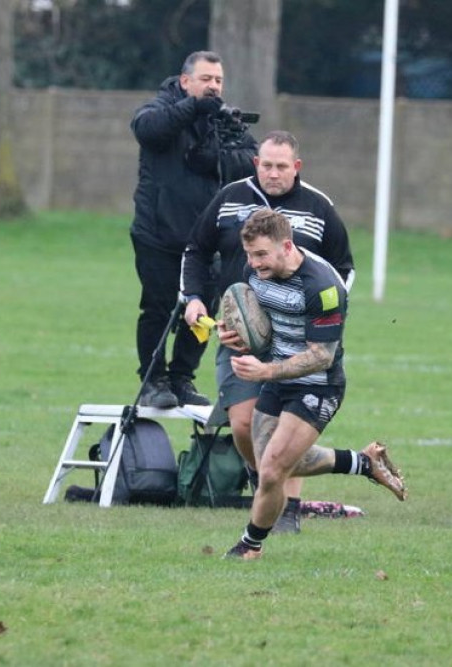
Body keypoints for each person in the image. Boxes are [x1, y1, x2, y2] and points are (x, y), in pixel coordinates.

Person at [182, 130, 355, 534]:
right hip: (239, 333)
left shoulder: (318, 207)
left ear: (296, 167)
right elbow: (196, 249)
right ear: (255, 163)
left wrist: (325, 315)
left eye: (281, 166)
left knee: (282, 430)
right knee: (243, 425)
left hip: (295, 337)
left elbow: (344, 268)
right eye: (265, 164)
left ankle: (286, 507)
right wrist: (193, 298)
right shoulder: (229, 199)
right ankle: (272, 480)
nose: (272, 173)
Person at [220, 209, 405, 560]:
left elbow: (321, 356)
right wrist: (231, 332)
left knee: (274, 468)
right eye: (249, 254)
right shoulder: (255, 273)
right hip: (277, 377)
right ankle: (362, 463)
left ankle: (249, 546)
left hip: (318, 386)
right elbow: (253, 321)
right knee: (270, 466)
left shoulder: (323, 287)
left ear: (286, 246)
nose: (253, 262)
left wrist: (264, 372)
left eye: (261, 254)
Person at [129, 51, 258, 408]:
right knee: (158, 307)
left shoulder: (219, 117)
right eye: (206, 79)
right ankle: (153, 381)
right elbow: (148, 131)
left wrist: (214, 157)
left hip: (204, 239)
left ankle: (182, 378)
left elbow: (253, 158)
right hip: (158, 232)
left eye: (218, 80)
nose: (214, 87)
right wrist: (194, 109)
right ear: (186, 82)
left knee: (202, 310)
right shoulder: (161, 108)